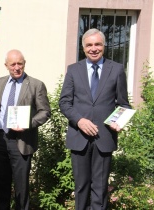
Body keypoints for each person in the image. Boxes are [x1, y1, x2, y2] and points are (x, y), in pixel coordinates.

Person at [59, 28, 131, 210]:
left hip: (104, 137)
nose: (93, 48)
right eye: (89, 45)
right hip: (79, 137)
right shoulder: (73, 70)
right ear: (83, 48)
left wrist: (119, 121)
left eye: (97, 44)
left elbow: (124, 104)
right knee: (81, 187)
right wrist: (80, 121)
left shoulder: (116, 69)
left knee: (100, 189)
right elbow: (64, 102)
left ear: (103, 46)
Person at [0, 49, 51, 210]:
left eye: (20, 63)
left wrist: (28, 124)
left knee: (21, 187)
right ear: (6, 65)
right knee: (0, 184)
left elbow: (45, 112)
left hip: (22, 141)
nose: (17, 67)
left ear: (24, 64)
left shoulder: (36, 85)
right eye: (13, 64)